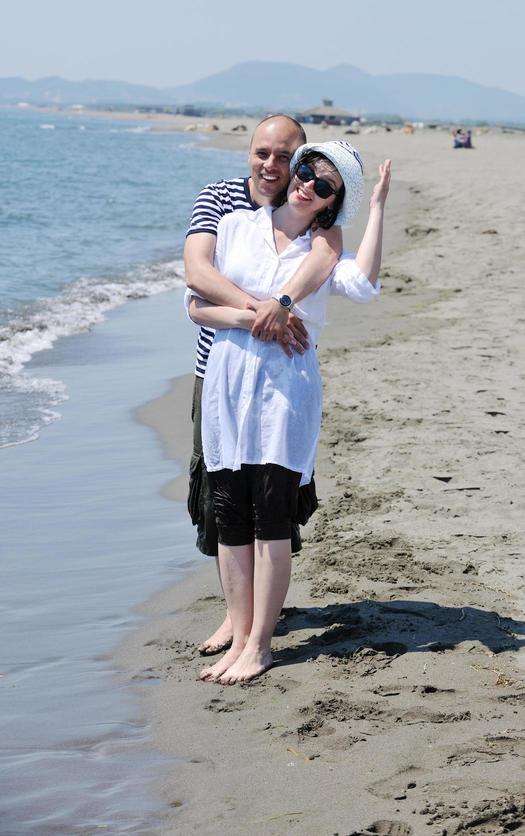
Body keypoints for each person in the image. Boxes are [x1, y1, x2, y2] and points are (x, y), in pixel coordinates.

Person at [186, 141, 391, 683]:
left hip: (286, 390)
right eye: (306, 171)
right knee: (230, 515)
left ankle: (259, 645)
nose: (307, 184)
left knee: (272, 515)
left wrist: (375, 211)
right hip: (227, 383)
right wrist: (261, 313)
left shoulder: (324, 249)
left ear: (332, 201)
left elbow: (365, 288)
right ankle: (240, 631)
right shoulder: (235, 227)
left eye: (325, 185)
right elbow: (195, 304)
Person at [184, 115, 343, 657]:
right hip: (219, 370)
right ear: (249, 152)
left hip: (281, 376)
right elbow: (196, 275)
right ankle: (236, 619)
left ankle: (258, 627)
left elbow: (334, 264)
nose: (272, 166)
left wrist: (281, 307)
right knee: (220, 499)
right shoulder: (222, 201)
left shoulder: (315, 219)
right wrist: (262, 310)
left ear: (302, 158)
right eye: (263, 153)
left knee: (274, 497)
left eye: (285, 156)